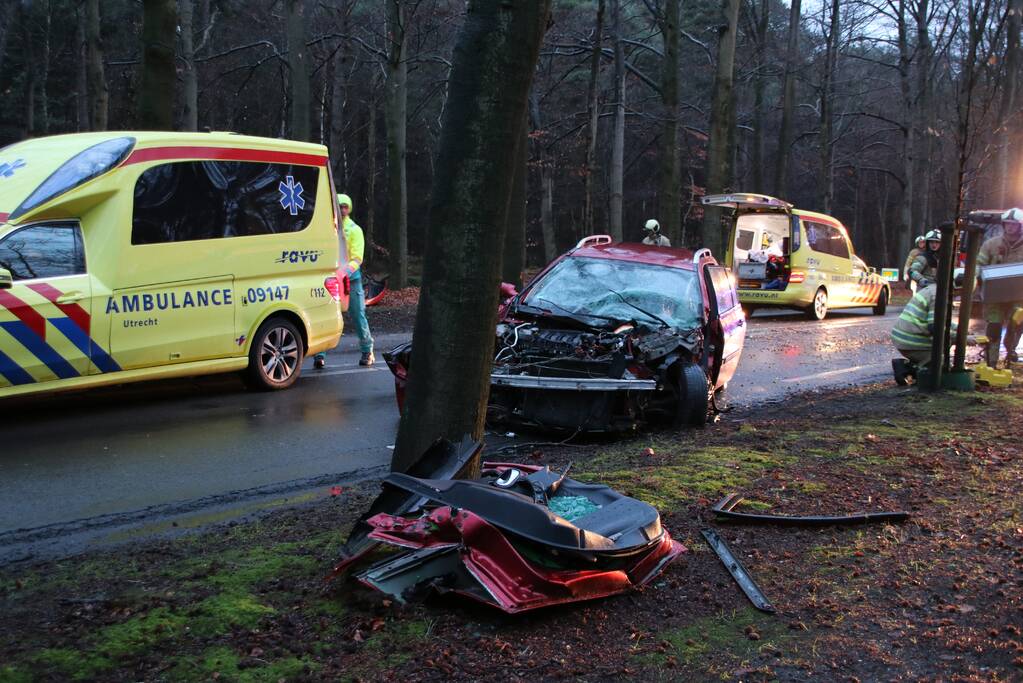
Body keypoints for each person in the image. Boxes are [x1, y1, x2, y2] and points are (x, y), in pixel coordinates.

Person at [315, 193, 374, 369]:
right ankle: (319, 354)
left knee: (357, 315)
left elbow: (357, 258)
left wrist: (343, 273)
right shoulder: (326, 230)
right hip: (330, 281)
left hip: (351, 281)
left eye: (345, 206)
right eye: (339, 206)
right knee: (325, 315)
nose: (342, 209)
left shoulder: (354, 230)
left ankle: (367, 351)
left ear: (349, 209)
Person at [891, 274, 974, 384]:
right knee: (941, 367)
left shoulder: (934, 290)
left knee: (945, 347)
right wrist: (963, 338)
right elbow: (935, 328)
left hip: (904, 336)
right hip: (911, 340)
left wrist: (961, 330)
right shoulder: (940, 296)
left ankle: (915, 365)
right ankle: (907, 368)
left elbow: (941, 321)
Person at [977, 207, 1023, 366]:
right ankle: (991, 361)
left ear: (1020, 226)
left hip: (1019, 296)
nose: (1010, 227)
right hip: (994, 297)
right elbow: (979, 265)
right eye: (1008, 224)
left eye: (1014, 224)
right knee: (994, 328)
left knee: (1016, 324)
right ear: (1003, 225)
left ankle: (1010, 351)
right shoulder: (991, 244)